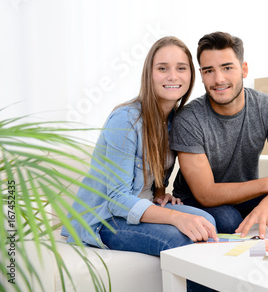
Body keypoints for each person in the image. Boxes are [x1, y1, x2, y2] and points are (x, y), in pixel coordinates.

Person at [61, 36, 218, 291]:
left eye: (181, 68)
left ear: (191, 75)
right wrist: (174, 219)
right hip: (104, 219)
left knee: (206, 222)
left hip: (141, 208)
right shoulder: (126, 120)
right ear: (149, 73)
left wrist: (160, 194)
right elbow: (116, 199)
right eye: (162, 68)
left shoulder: (175, 122)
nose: (172, 76)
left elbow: (156, 172)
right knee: (183, 239)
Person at [170, 31, 268, 240]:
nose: (219, 79)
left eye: (227, 68)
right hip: (196, 200)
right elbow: (206, 193)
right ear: (201, 74)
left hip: (245, 195)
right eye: (209, 71)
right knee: (227, 220)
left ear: (244, 69)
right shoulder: (189, 118)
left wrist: (267, 205)